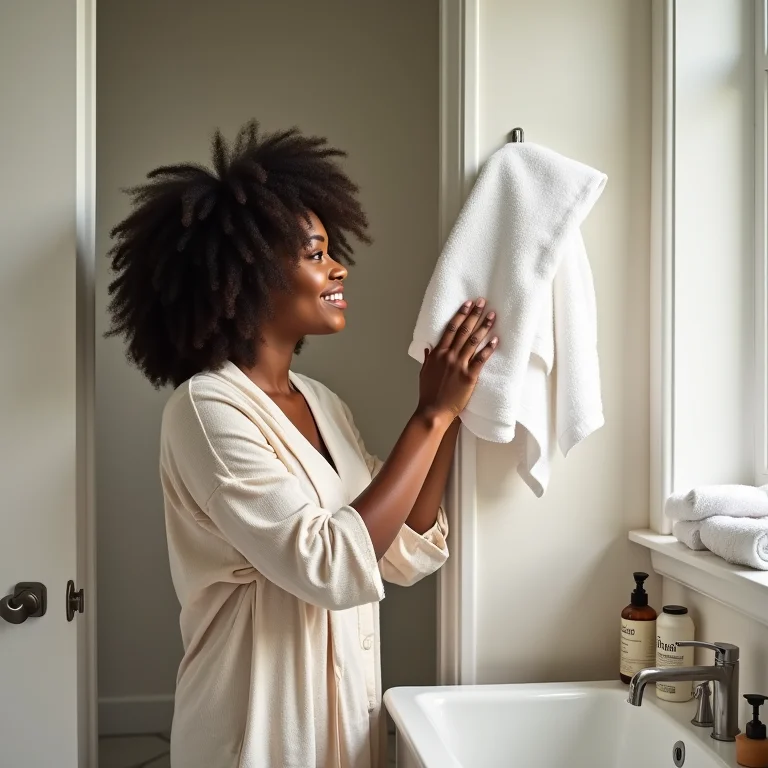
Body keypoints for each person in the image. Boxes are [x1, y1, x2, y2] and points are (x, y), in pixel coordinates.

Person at [106, 120, 498, 768]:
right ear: (251, 275)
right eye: (315, 254)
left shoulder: (322, 403)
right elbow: (329, 564)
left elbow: (402, 548)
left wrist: (450, 413)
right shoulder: (206, 410)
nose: (338, 267)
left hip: (342, 726)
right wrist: (429, 415)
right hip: (255, 736)